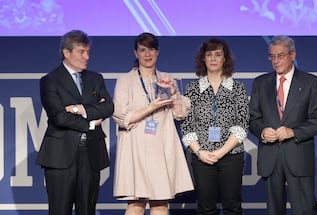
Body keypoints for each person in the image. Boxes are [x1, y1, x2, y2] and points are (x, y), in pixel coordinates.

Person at [112, 32, 194, 215]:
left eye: (151, 49)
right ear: (136, 53)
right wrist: (151, 107)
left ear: (157, 52)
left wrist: (173, 93)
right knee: (136, 204)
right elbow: (121, 117)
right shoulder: (125, 80)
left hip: (162, 145)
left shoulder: (166, 79)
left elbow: (180, 114)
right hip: (135, 146)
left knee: (160, 204)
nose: (147, 54)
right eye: (142, 50)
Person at [36, 30, 114, 215]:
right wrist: (91, 123)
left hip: (91, 154)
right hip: (61, 157)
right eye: (81, 52)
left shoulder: (96, 78)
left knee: (87, 210)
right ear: (66, 52)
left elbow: (108, 107)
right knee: (60, 210)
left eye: (88, 52)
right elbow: (60, 117)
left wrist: (79, 109)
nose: (87, 57)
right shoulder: (50, 81)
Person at [249, 35, 317, 215]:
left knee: (305, 210)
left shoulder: (310, 82)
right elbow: (252, 118)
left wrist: (293, 131)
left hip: (298, 155)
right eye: (272, 56)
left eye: (280, 55)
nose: (275, 61)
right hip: (270, 157)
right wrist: (262, 131)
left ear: (293, 55)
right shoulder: (260, 83)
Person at [181, 38, 250, 215]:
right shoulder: (192, 89)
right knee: (205, 208)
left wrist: (221, 152)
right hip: (201, 157)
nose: (213, 58)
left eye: (218, 54)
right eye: (209, 54)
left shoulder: (238, 88)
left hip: (231, 156)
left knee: (232, 207)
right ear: (203, 59)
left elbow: (241, 125)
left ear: (224, 59)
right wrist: (199, 152)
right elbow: (187, 126)